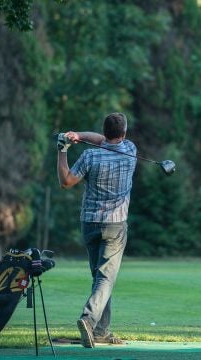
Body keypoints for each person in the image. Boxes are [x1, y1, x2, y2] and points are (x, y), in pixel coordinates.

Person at [56, 112, 137, 348]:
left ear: (104, 131)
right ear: (123, 134)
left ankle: (101, 331)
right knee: (105, 278)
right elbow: (106, 139)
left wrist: (63, 148)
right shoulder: (130, 150)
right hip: (115, 225)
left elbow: (66, 181)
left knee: (101, 279)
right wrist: (79, 136)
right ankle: (88, 320)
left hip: (90, 223)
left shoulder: (90, 155)